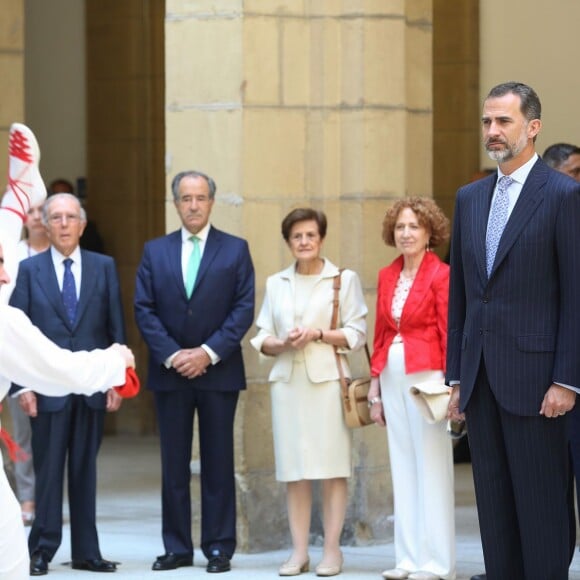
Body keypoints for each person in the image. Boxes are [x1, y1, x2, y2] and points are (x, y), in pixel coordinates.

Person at [447, 81, 580, 580]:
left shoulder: (565, 196)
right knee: (495, 516)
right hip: (481, 384)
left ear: (533, 126)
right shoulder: (470, 197)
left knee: (543, 514)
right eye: (487, 121)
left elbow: (576, 296)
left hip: (541, 386)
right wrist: (456, 378)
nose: (493, 131)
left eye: (503, 121)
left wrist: (567, 380)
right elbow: (463, 295)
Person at [0, 122, 135, 580]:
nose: (61, 224)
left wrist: (114, 376)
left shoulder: (102, 266)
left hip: (88, 387)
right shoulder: (29, 272)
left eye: (70, 217)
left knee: (84, 471)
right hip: (48, 386)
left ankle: (87, 551)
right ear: (46, 222)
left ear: (81, 223)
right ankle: (42, 549)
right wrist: (23, 387)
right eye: (53, 216)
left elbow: (114, 324)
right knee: (48, 473)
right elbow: (23, 345)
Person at [134, 170, 255, 574]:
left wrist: (206, 353)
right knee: (174, 466)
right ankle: (177, 548)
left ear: (211, 202)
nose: (193, 205)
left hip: (218, 374)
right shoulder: (155, 251)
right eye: (185, 198)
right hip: (171, 375)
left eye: (200, 197)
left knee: (218, 464)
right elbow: (144, 309)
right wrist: (173, 355)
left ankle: (219, 548)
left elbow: (242, 310)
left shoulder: (235, 250)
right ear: (176, 204)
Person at [250, 208, 367, 577]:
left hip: (328, 385)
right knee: (295, 472)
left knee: (332, 471)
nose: (304, 242)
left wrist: (317, 334)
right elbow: (261, 336)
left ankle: (331, 550)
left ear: (321, 239)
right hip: (288, 386)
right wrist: (282, 343)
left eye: (310, 235)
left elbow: (356, 333)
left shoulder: (342, 280)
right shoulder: (276, 283)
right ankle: (298, 551)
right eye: (297, 236)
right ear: (288, 242)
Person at [366, 197, 454, 580]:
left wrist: (454, 386)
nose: (406, 233)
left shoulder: (441, 274)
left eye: (414, 226)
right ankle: (407, 559)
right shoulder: (387, 275)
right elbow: (381, 332)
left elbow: (448, 331)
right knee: (402, 465)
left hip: (428, 376)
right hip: (390, 375)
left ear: (430, 232)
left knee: (432, 467)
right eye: (400, 227)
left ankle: (437, 563)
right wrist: (373, 390)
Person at [5, 202, 50, 526]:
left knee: (51, 438)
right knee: (21, 434)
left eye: (40, 211)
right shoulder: (12, 253)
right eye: (29, 211)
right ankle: (27, 497)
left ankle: (48, 499)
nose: (35, 217)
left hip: (49, 356)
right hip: (16, 357)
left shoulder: (58, 256)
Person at [48, 178, 105, 253]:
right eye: (56, 195)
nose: (61, 200)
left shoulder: (88, 229)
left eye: (65, 195)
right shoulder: (41, 224)